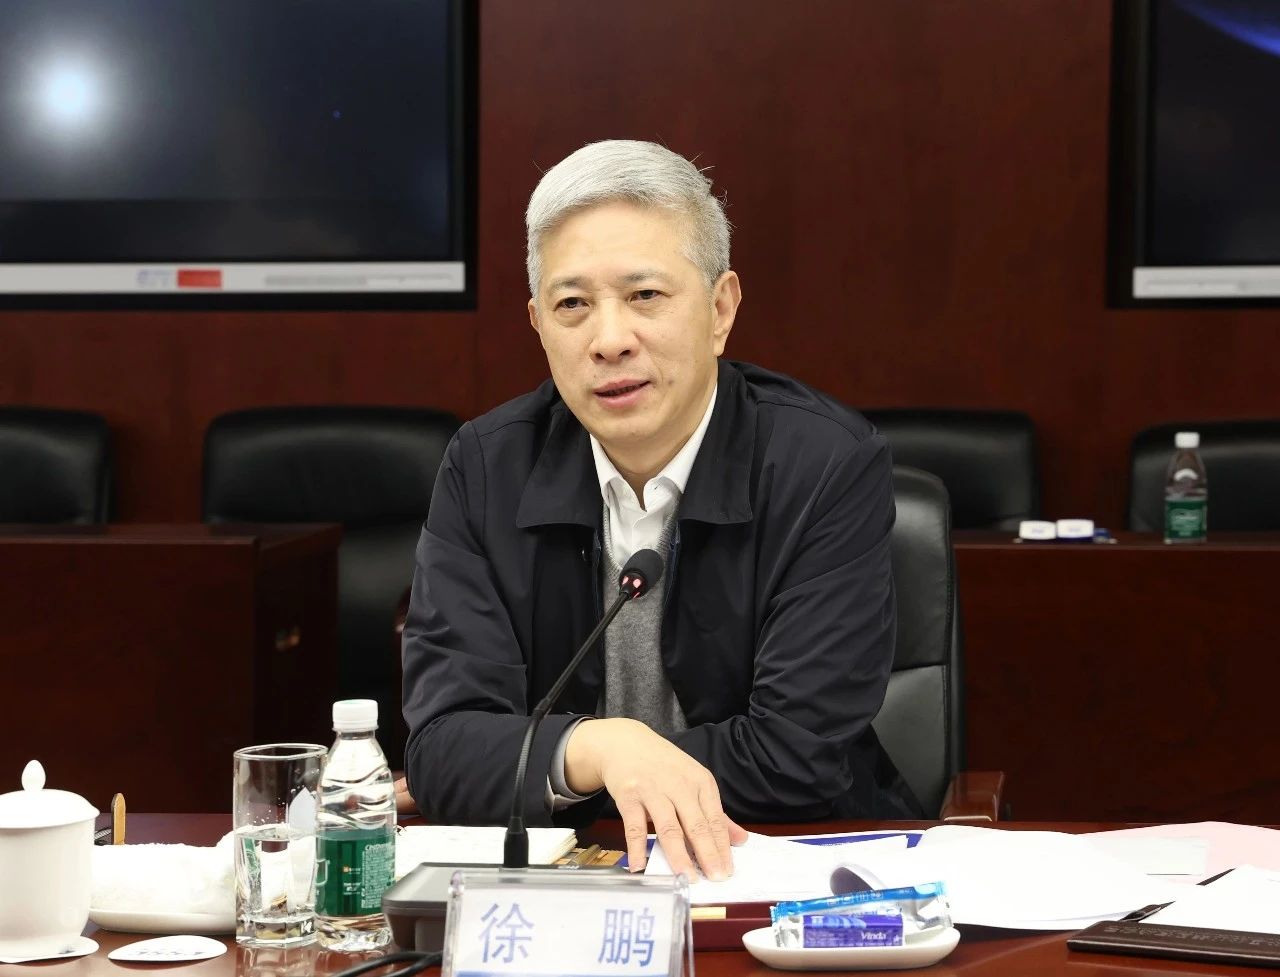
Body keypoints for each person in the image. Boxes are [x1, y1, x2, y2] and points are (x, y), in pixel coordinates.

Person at [400, 139, 920, 880]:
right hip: (562, 884)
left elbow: (796, 758)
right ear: (538, 324)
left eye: (645, 295)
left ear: (720, 309)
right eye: (573, 305)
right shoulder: (486, 468)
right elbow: (443, 751)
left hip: (777, 869)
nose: (610, 340)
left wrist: (556, 763)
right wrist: (604, 748)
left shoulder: (823, 464)